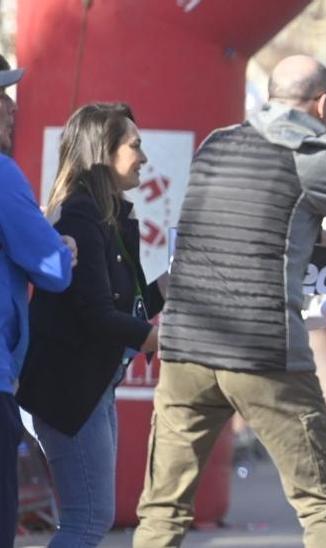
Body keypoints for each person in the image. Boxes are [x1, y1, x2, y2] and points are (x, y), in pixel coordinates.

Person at [133, 55, 326, 547]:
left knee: (163, 508)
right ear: (320, 103)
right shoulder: (315, 161)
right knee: (322, 507)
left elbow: (246, 226)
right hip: (263, 349)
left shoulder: (217, 145)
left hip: (186, 345)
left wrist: (313, 234)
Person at [17, 103, 163, 547]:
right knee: (87, 519)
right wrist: (169, 341)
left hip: (91, 386)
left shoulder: (108, 215)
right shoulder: (80, 213)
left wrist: (172, 282)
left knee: (93, 516)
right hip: (68, 390)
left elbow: (126, 305)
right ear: (104, 151)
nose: (143, 157)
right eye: (134, 145)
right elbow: (97, 316)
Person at [0, 54, 76, 546]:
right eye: (0, 95)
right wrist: (61, 245)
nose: (11, 107)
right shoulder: (3, 175)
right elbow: (53, 271)